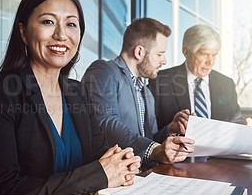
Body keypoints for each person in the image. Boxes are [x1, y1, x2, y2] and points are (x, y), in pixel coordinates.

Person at [0, 0, 141, 195]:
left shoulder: (77, 92)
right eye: (48, 22)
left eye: (71, 24)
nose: (61, 35)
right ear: (23, 32)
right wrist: (98, 175)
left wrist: (123, 164)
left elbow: (98, 155)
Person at [81, 18, 194, 167]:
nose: (164, 61)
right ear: (139, 52)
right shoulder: (104, 70)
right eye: (159, 54)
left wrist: (170, 129)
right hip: (110, 177)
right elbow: (105, 123)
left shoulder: (146, 92)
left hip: (142, 176)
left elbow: (149, 138)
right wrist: (153, 150)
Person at [148, 24, 252, 131]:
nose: (210, 62)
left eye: (214, 55)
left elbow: (235, 122)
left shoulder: (226, 84)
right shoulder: (160, 81)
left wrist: (245, 126)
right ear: (186, 52)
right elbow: (149, 132)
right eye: (204, 54)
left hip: (218, 150)